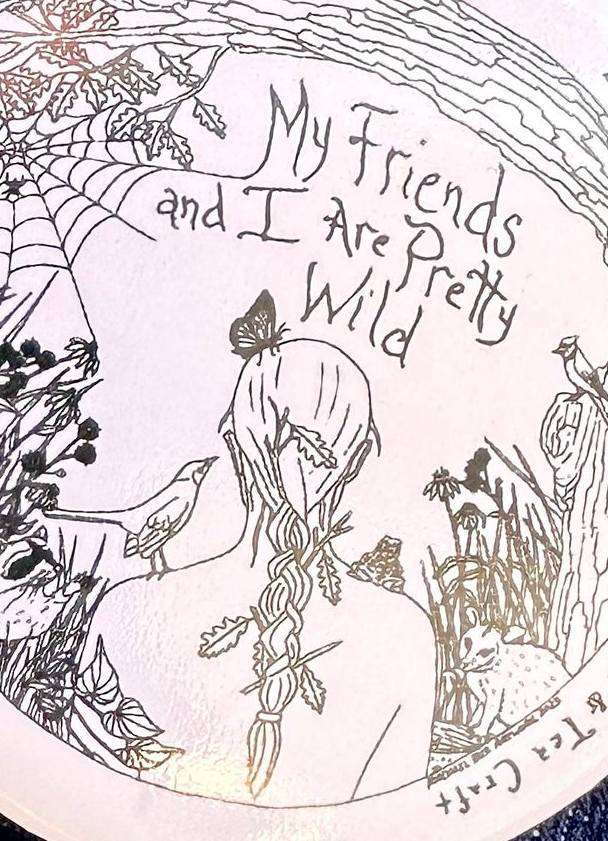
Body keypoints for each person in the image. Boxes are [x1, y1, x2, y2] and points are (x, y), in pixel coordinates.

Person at [89, 325, 436, 808]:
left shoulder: (121, 612)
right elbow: (394, 826)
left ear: (233, 443)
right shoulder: (407, 636)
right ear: (356, 460)